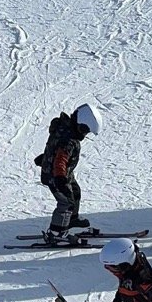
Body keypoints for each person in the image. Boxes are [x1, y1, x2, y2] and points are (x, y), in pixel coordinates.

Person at [35, 104, 101, 245]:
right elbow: (61, 160)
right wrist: (60, 179)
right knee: (66, 202)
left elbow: (54, 147)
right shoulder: (68, 140)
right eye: (84, 130)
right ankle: (57, 233)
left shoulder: (64, 128)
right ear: (79, 124)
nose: (84, 135)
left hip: (63, 173)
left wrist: (46, 157)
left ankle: (71, 219)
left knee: (75, 191)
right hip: (57, 176)